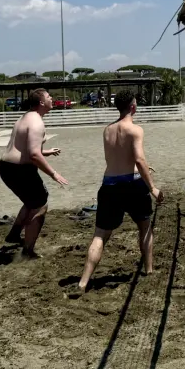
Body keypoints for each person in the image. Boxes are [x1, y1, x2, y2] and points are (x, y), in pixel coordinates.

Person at [78, 89, 164, 291]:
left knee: (99, 235)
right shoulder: (135, 130)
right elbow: (138, 159)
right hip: (133, 184)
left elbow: (117, 158)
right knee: (144, 226)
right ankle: (149, 270)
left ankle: (83, 282)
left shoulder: (107, 130)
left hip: (110, 184)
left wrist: (139, 167)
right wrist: (152, 187)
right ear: (133, 107)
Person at [0, 88, 68, 259]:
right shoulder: (37, 122)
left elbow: (25, 149)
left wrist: (47, 151)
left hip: (6, 166)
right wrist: (54, 174)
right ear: (42, 103)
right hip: (19, 170)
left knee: (31, 202)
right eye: (49, 96)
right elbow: (33, 155)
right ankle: (28, 251)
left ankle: (14, 235)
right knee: (41, 205)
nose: (52, 98)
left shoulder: (26, 117)